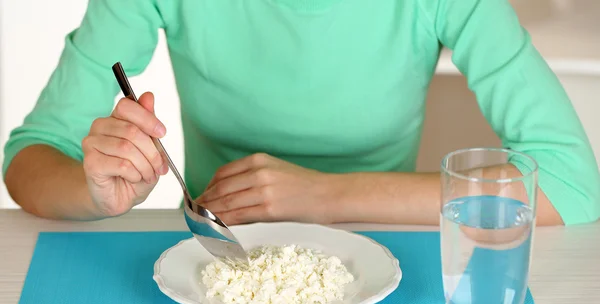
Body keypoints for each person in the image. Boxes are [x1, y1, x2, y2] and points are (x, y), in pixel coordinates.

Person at [4, 0, 600, 226]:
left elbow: (572, 183)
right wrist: (94, 191)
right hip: (218, 263)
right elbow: (29, 157)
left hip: (391, 266)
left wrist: (324, 196)